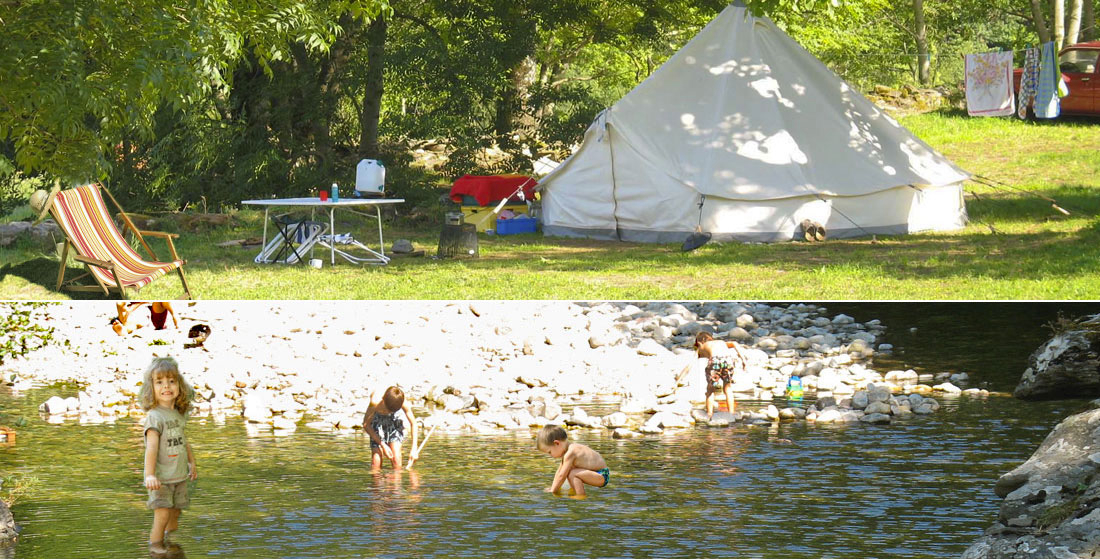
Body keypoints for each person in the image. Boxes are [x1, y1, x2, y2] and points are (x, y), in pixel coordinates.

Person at [138, 357, 197, 553]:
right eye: (160, 382)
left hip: (179, 476)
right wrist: (150, 475)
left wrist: (192, 463)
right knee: (162, 514)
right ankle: (155, 549)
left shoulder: (178, 414)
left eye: (171, 381)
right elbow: (151, 448)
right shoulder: (155, 417)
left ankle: (171, 546)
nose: (166, 386)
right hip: (161, 478)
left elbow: (183, 441)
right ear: (151, 388)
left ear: (179, 385)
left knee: (175, 511)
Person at [536, 424, 609, 497]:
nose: (550, 455)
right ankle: (574, 491)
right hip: (595, 473)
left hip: (602, 475)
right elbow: (559, 472)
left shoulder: (571, 452)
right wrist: (553, 487)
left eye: (549, 452)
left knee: (572, 473)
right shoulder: (568, 451)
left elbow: (561, 476)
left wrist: (553, 491)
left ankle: (580, 496)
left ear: (557, 443)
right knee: (568, 471)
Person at [362, 386, 419, 470]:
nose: (387, 412)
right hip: (376, 418)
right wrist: (383, 445)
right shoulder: (375, 401)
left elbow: (413, 423)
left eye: (391, 411)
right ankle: (376, 481)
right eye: (387, 409)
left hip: (394, 419)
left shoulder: (402, 402)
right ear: (383, 399)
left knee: (396, 459)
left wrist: (414, 449)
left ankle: (396, 481)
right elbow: (366, 425)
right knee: (376, 460)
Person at [695, 332, 748, 419]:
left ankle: (709, 414)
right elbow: (734, 343)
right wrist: (744, 360)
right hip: (729, 360)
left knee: (710, 390)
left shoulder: (702, 346)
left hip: (715, 361)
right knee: (727, 388)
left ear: (700, 342)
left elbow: (694, 359)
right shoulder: (721, 342)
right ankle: (731, 413)